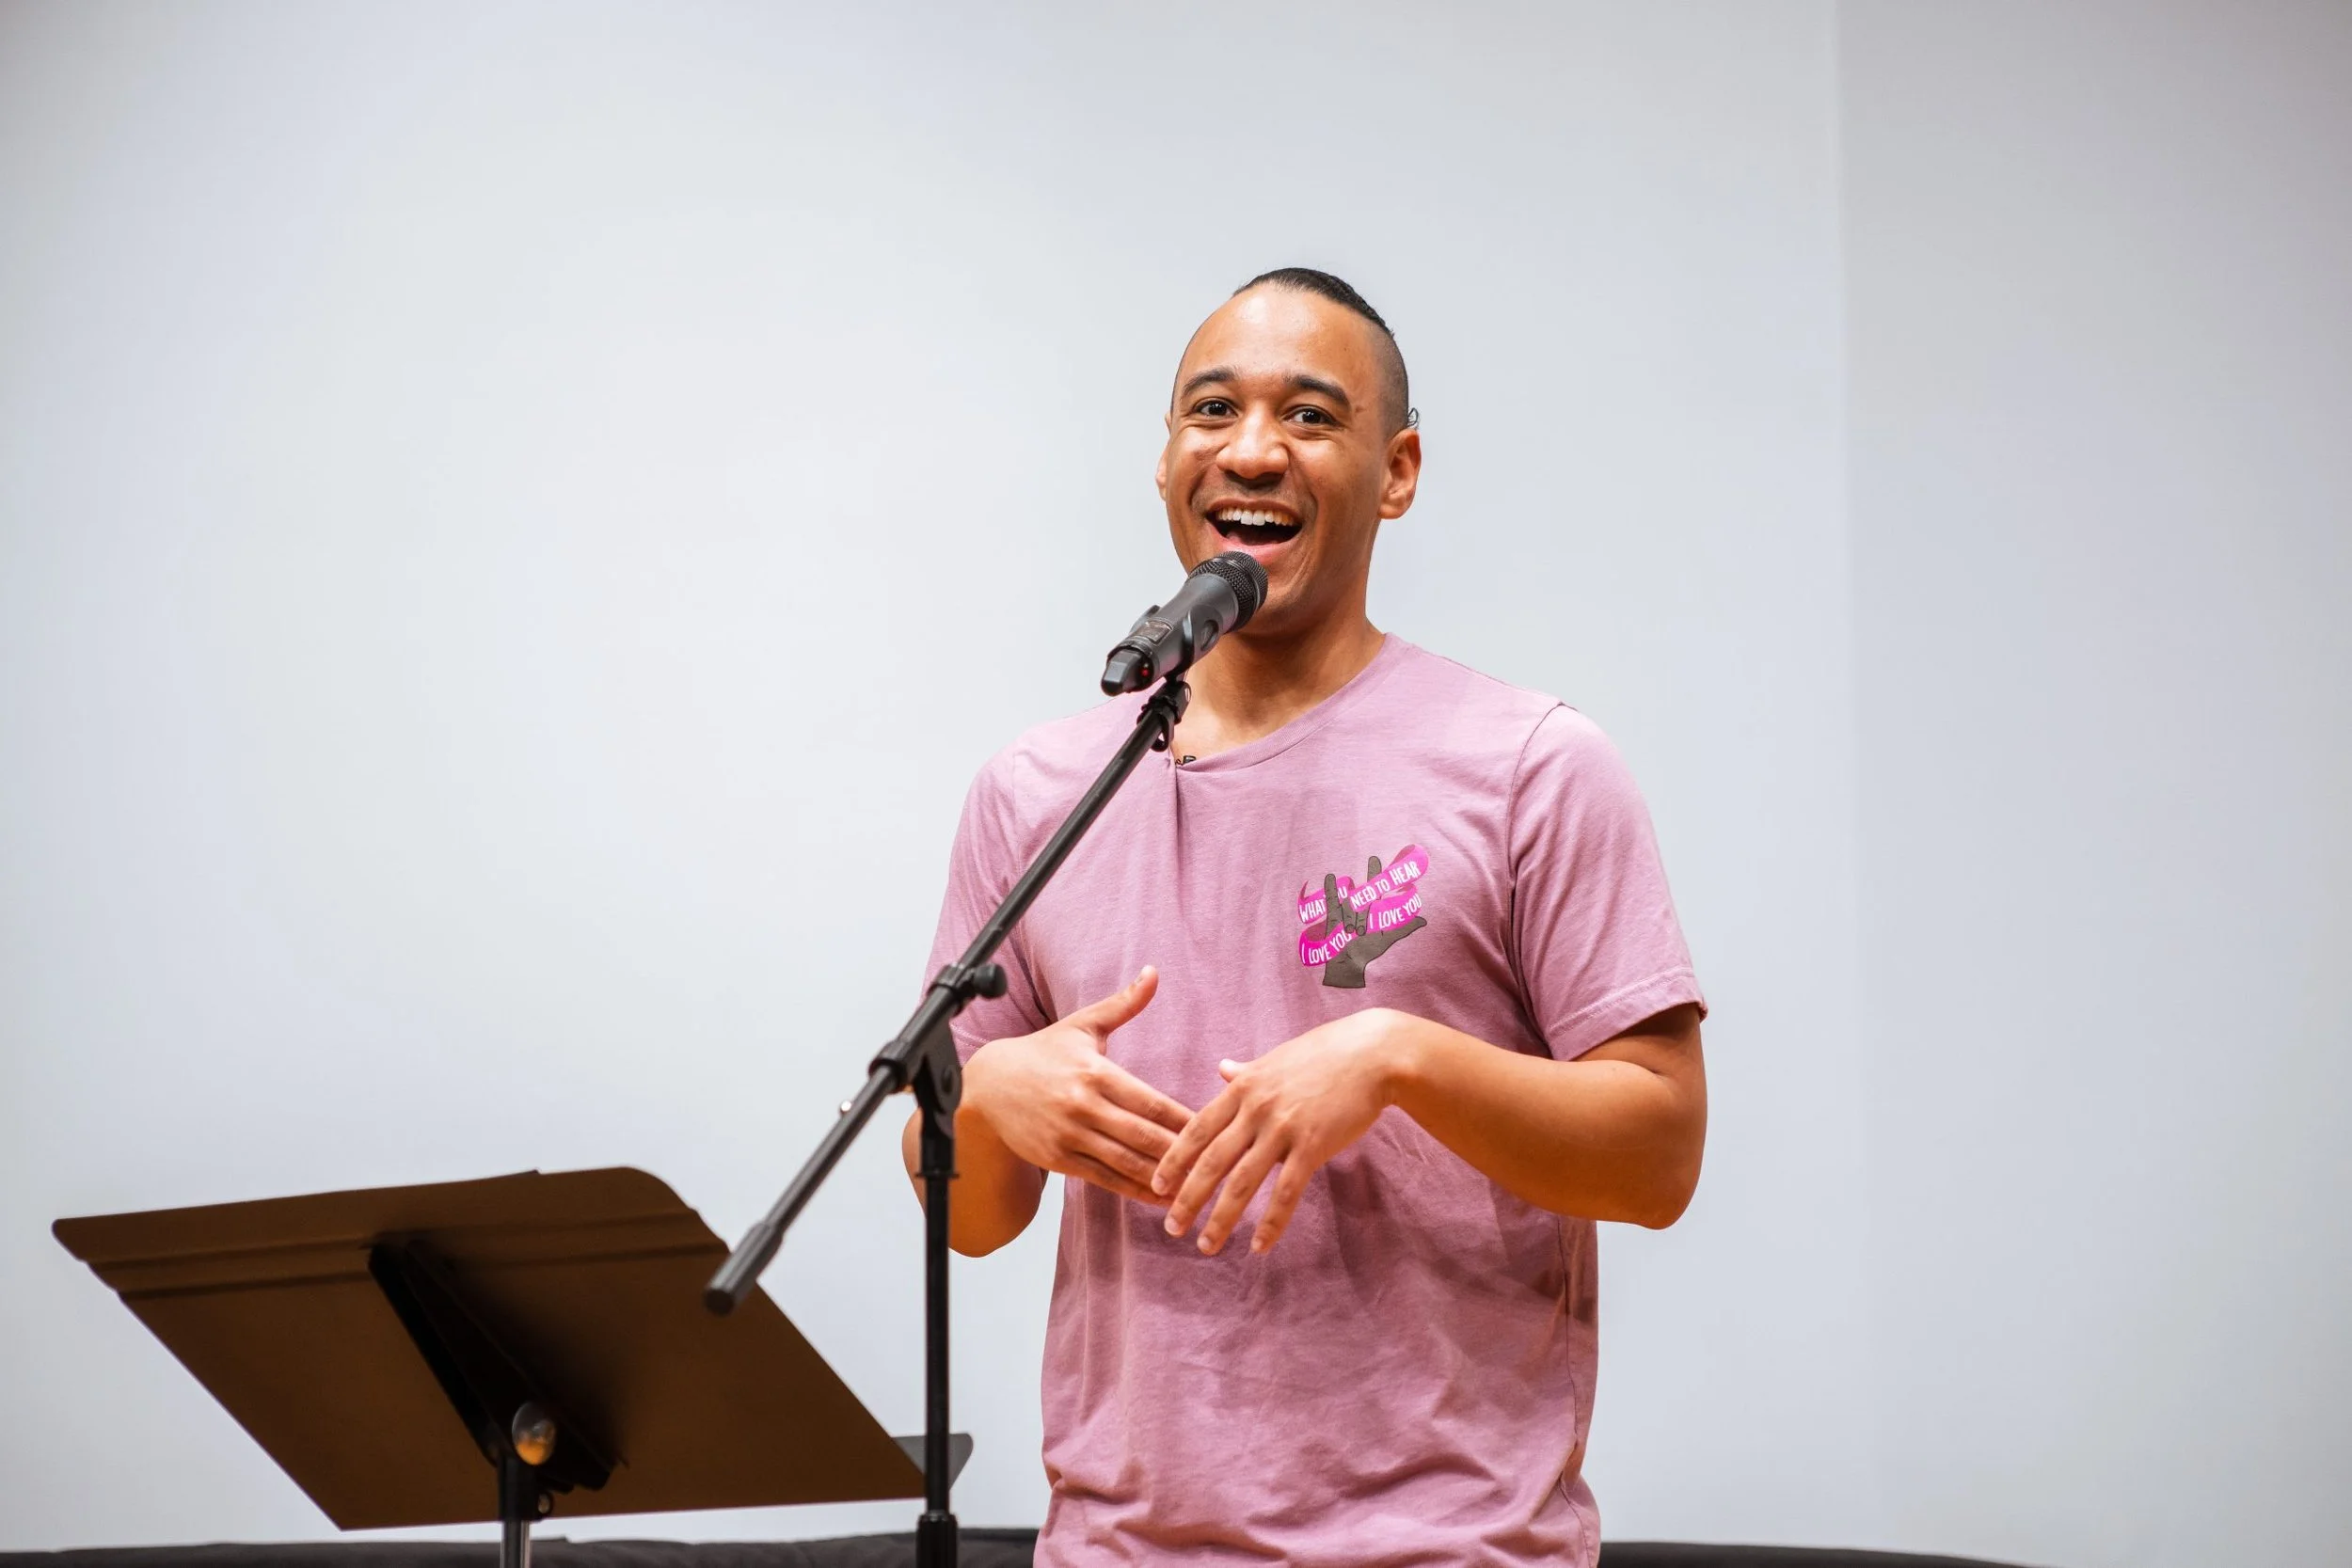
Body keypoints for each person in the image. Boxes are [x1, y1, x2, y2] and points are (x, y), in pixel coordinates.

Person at [902, 267, 1708, 1567]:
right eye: (1211, 409)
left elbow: (1661, 1153)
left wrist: (1401, 1058)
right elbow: (968, 1215)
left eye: (1311, 416)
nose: (1254, 449)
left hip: (1445, 1546)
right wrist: (992, 1101)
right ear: (1167, 460)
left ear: (1397, 471)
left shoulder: (1531, 764)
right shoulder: (1039, 789)